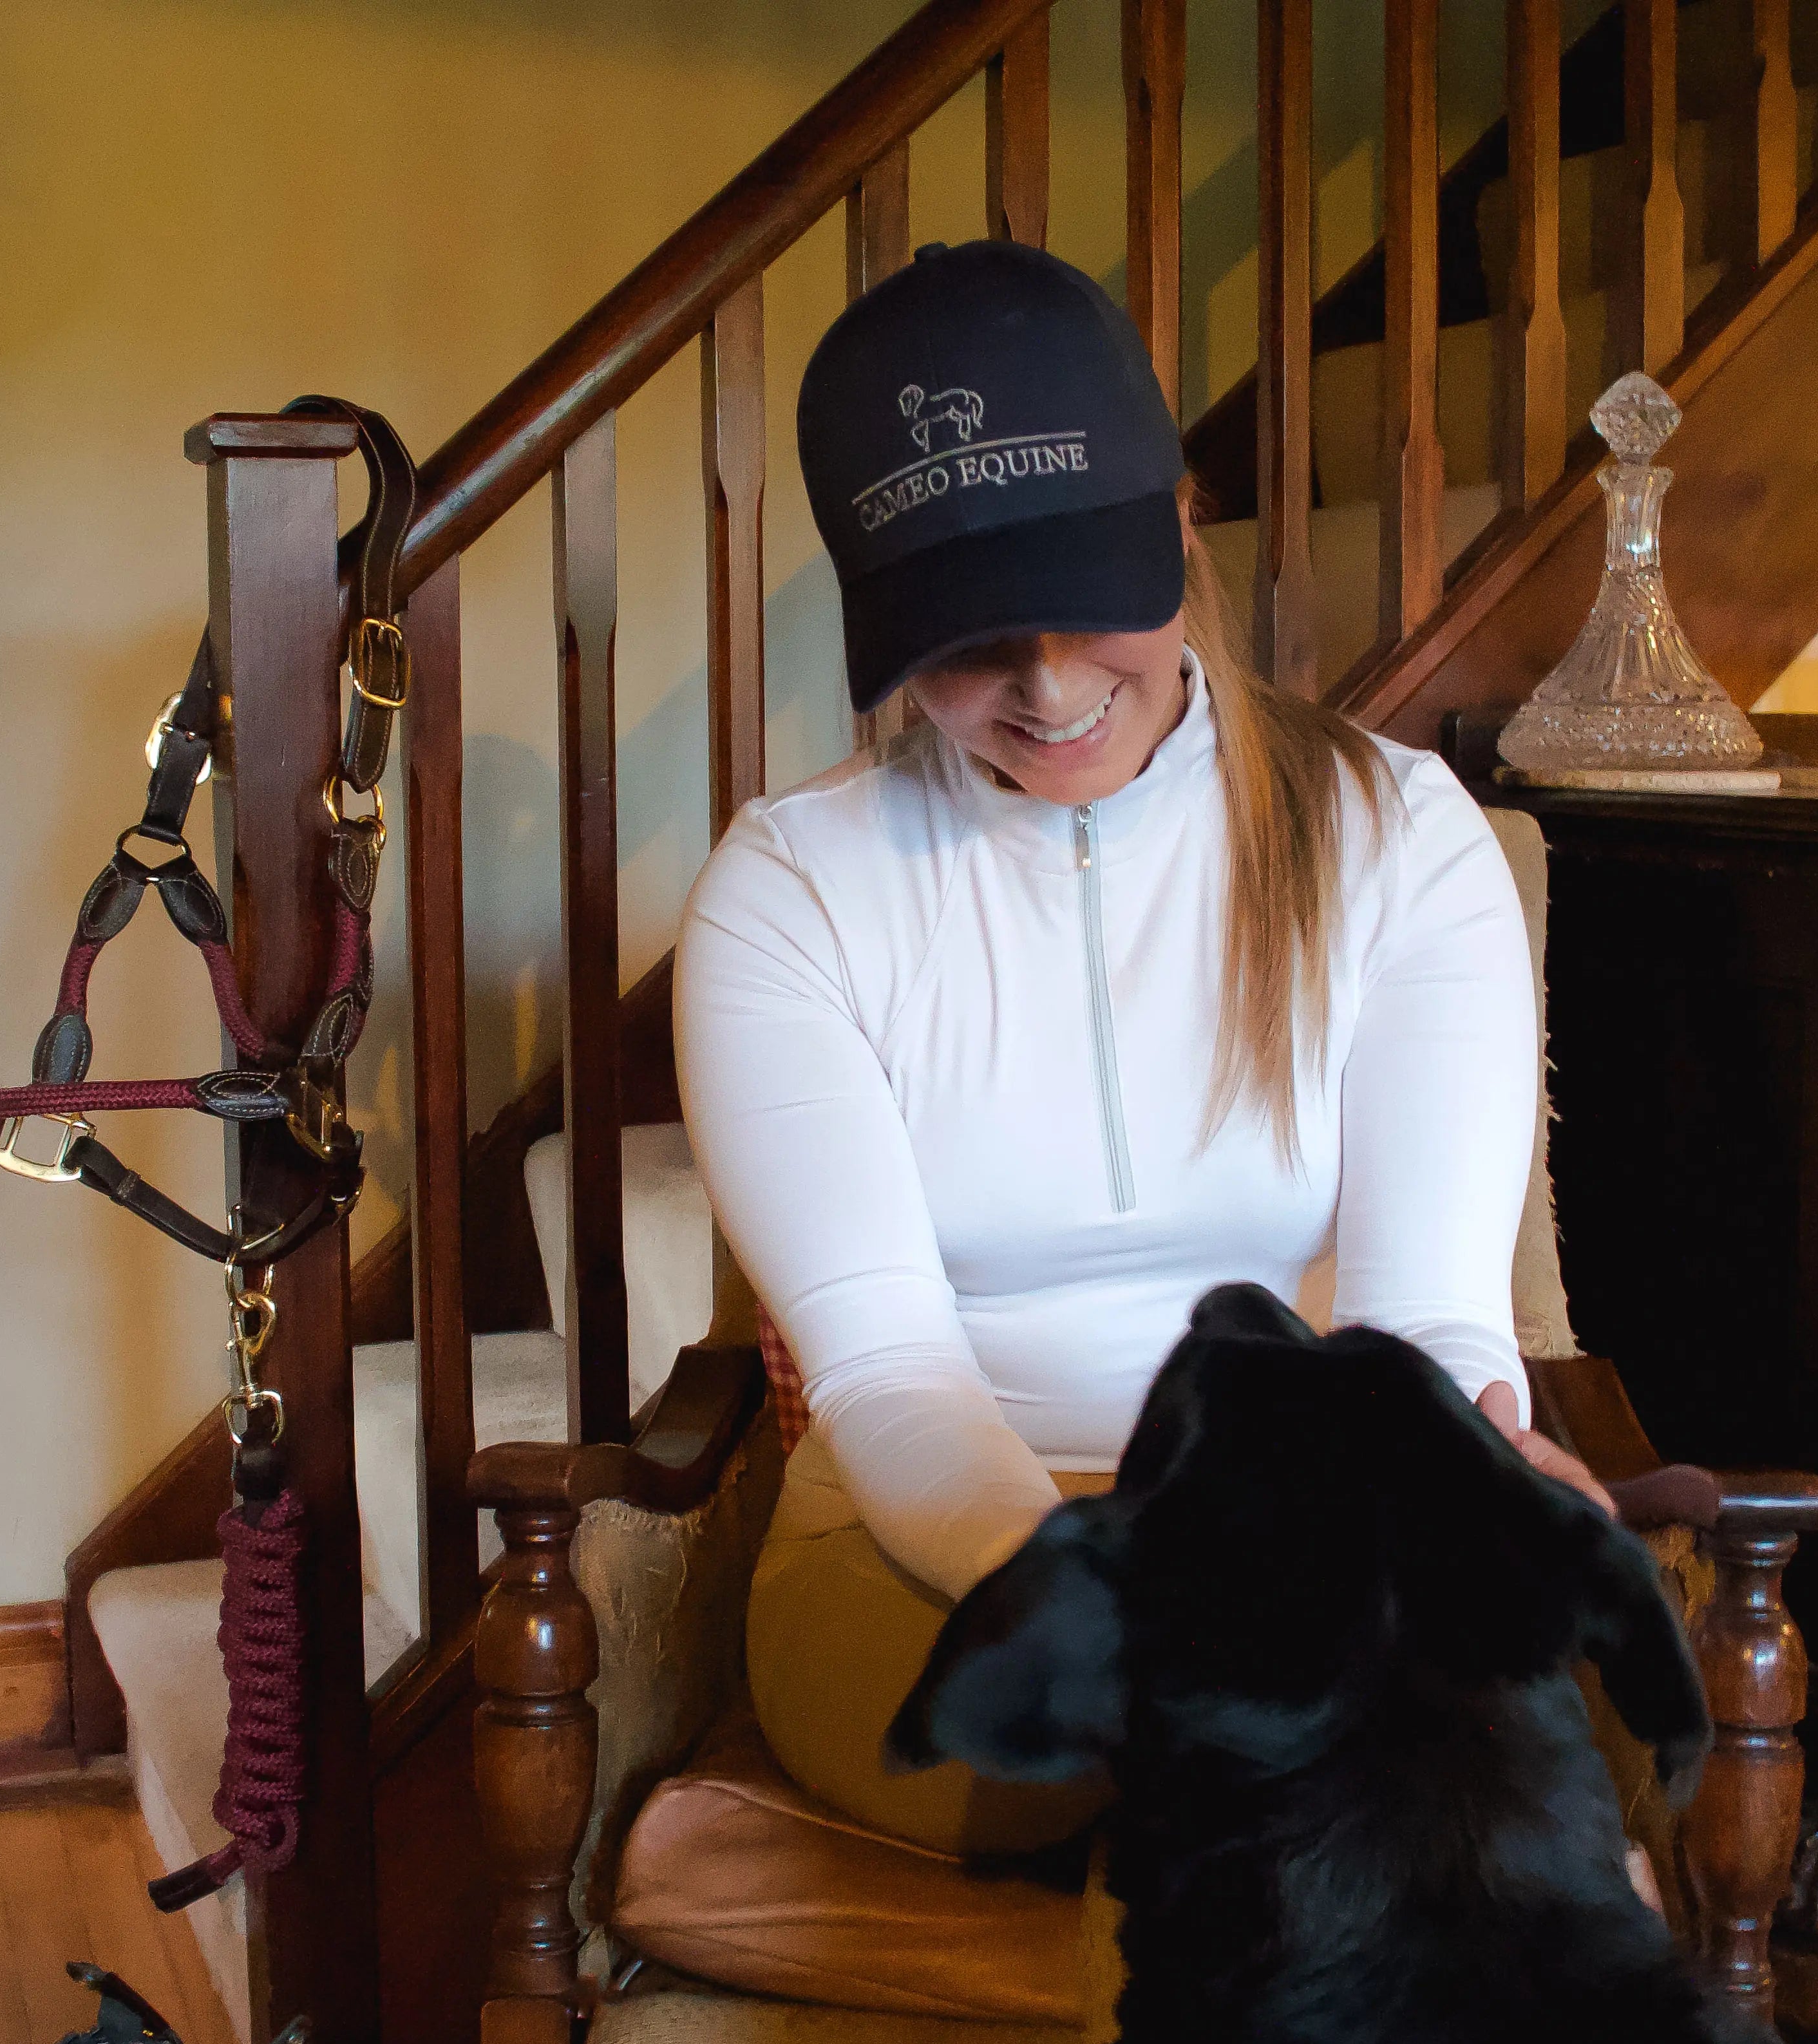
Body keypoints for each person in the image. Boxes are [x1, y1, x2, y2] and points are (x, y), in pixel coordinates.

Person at [676, 238, 1597, 1860]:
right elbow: (888, 1376)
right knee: (1220, 1756)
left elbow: (1421, 1324)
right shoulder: (789, 893)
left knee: (1383, 1734)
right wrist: (1134, 1601)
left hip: (1309, 1535)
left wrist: (1438, 1500)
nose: (1044, 690)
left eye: (1082, 604)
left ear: (1176, 519)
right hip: (921, 1561)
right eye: (965, 641)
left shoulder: (1400, 839)